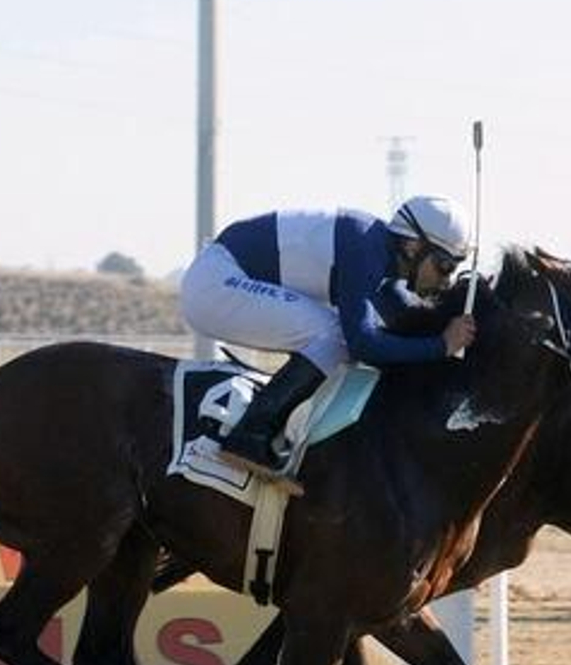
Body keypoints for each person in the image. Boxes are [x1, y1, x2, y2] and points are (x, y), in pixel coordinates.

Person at [180, 195, 478, 472]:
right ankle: (250, 435)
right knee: (336, 333)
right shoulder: (364, 248)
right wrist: (440, 346)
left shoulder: (381, 259)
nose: (446, 280)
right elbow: (364, 344)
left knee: (334, 331)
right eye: (444, 266)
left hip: (221, 279)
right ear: (414, 247)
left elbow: (407, 321)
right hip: (215, 285)